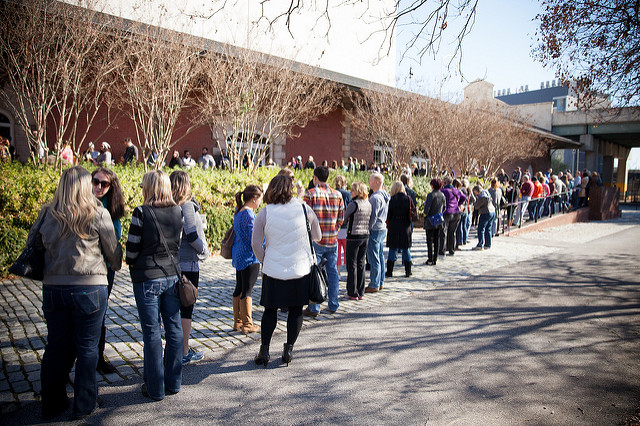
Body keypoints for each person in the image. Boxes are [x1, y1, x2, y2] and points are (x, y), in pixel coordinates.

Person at [34, 166, 122, 420]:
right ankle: (83, 403)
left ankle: (52, 403)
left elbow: (36, 246)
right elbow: (113, 254)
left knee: (56, 346)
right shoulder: (97, 213)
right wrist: (113, 263)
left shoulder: (47, 214)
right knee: (87, 347)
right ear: (85, 186)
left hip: (54, 286)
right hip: (90, 286)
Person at [251, 174, 321, 366]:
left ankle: (264, 350)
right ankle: (289, 348)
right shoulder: (303, 208)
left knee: (270, 311)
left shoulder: (265, 213)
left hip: (273, 270)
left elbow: (256, 243)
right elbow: (317, 235)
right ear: (290, 190)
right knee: (296, 310)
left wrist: (266, 259)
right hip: (300, 269)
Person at [126, 170, 183, 401]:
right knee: (174, 327)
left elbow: (131, 250)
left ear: (148, 187)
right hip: (172, 275)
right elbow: (177, 243)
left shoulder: (142, 212)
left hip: (147, 276)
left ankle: (155, 388)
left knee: (151, 332)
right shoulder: (177, 210)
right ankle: (174, 382)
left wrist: (132, 261)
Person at [170, 171, 210, 365]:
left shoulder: (169, 205)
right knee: (187, 307)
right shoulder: (186, 205)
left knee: (175, 309)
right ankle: (184, 351)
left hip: (174, 263)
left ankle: (176, 349)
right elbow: (192, 234)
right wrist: (204, 250)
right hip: (188, 264)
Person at [90, 167, 125, 375]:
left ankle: (97, 357)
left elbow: (116, 235)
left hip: (106, 266)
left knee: (101, 312)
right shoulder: (83, 203)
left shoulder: (111, 206)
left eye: (104, 184)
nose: (99, 187)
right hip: (89, 266)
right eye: (96, 182)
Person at [302, 166, 345, 317]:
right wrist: (334, 231)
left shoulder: (310, 194)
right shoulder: (338, 194)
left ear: (315, 178)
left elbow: (305, 218)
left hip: (315, 240)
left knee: (314, 273)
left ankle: (314, 307)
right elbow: (341, 218)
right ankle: (333, 303)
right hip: (332, 239)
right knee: (332, 272)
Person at [231, 185, 263, 334]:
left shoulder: (238, 212)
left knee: (239, 287)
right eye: (260, 199)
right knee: (247, 290)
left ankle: (237, 322)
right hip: (249, 256)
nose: (260, 203)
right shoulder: (249, 215)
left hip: (238, 253)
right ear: (254, 199)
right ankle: (247, 324)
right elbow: (254, 238)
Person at [343, 182, 371, 299]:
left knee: (352, 264)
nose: (350, 192)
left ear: (358, 191)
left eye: (353, 190)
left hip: (353, 235)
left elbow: (344, 218)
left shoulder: (353, 204)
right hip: (365, 235)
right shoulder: (368, 204)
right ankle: (361, 291)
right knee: (361, 263)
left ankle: (352, 292)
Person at [365, 172, 390, 293]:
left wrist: (367, 229)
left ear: (376, 182)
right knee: (379, 256)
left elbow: (372, 216)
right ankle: (380, 282)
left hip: (375, 229)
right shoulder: (385, 196)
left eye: (370, 180)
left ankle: (374, 283)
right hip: (382, 227)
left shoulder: (375, 198)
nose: (369, 182)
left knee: (374, 257)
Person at [385, 181, 413, 277]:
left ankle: (389, 271)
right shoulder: (408, 199)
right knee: (406, 249)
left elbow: (388, 215)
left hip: (394, 225)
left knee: (393, 249)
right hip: (405, 225)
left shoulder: (392, 200)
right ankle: (408, 271)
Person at [440, 176, 466, 256]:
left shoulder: (443, 191)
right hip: (456, 213)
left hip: (447, 213)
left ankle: (442, 250)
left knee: (444, 232)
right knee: (452, 232)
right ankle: (452, 249)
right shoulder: (455, 190)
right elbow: (464, 197)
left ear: (445, 183)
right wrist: (458, 204)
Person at [423, 178, 446, 265]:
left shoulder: (430, 195)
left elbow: (427, 208)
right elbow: (444, 207)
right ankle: (435, 258)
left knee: (429, 240)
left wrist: (425, 215)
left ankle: (430, 258)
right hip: (438, 220)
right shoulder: (442, 195)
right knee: (437, 240)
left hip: (430, 220)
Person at [334, 175, 352, 278]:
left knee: (336, 251)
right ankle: (349, 272)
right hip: (346, 226)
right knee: (347, 251)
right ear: (345, 183)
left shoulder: (333, 193)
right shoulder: (348, 194)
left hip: (335, 225)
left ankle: (338, 272)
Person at [472, 185, 496, 250]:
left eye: (475, 192)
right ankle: (488, 244)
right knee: (488, 228)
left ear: (477, 191)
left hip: (485, 212)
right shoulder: (486, 192)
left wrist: (474, 202)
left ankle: (480, 244)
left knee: (481, 229)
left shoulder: (482, 197)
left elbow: (477, 206)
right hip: (492, 211)